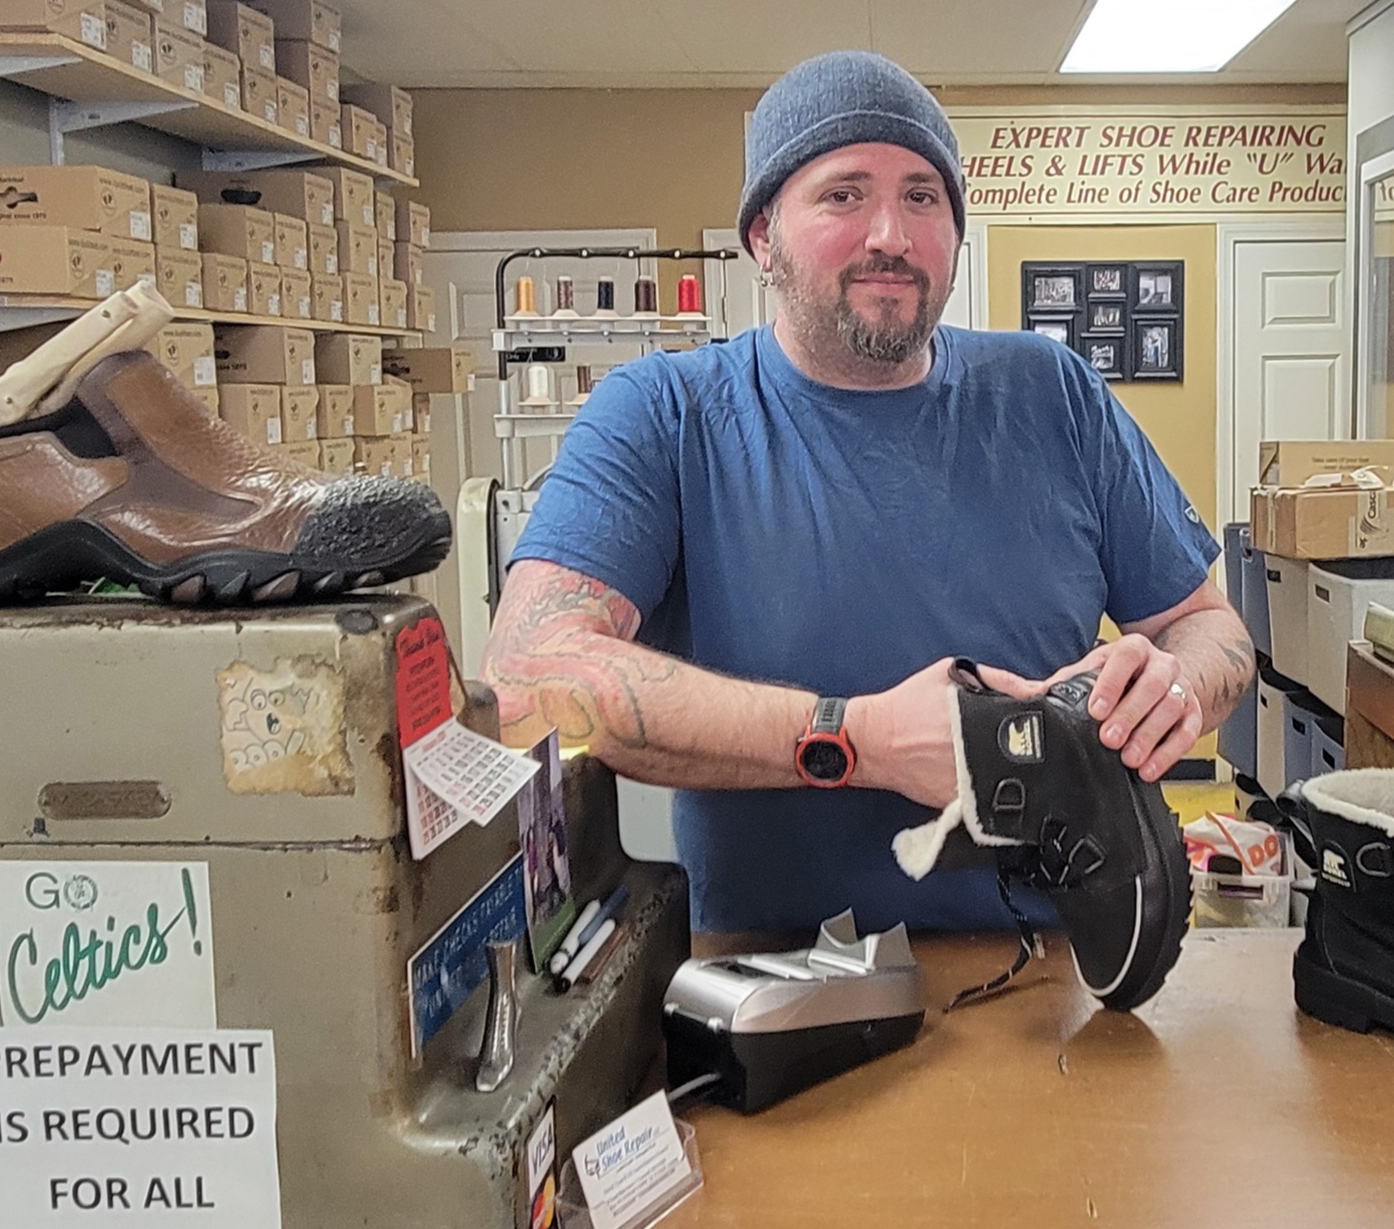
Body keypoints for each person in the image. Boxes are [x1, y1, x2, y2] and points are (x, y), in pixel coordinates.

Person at [482, 50, 1255, 934]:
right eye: (844, 193)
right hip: (775, 991)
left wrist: (1176, 687)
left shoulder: (1053, 393)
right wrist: (857, 741)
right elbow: (527, 677)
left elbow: (1210, 626)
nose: (890, 232)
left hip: (1060, 966)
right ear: (762, 236)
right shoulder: (665, 414)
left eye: (922, 196)